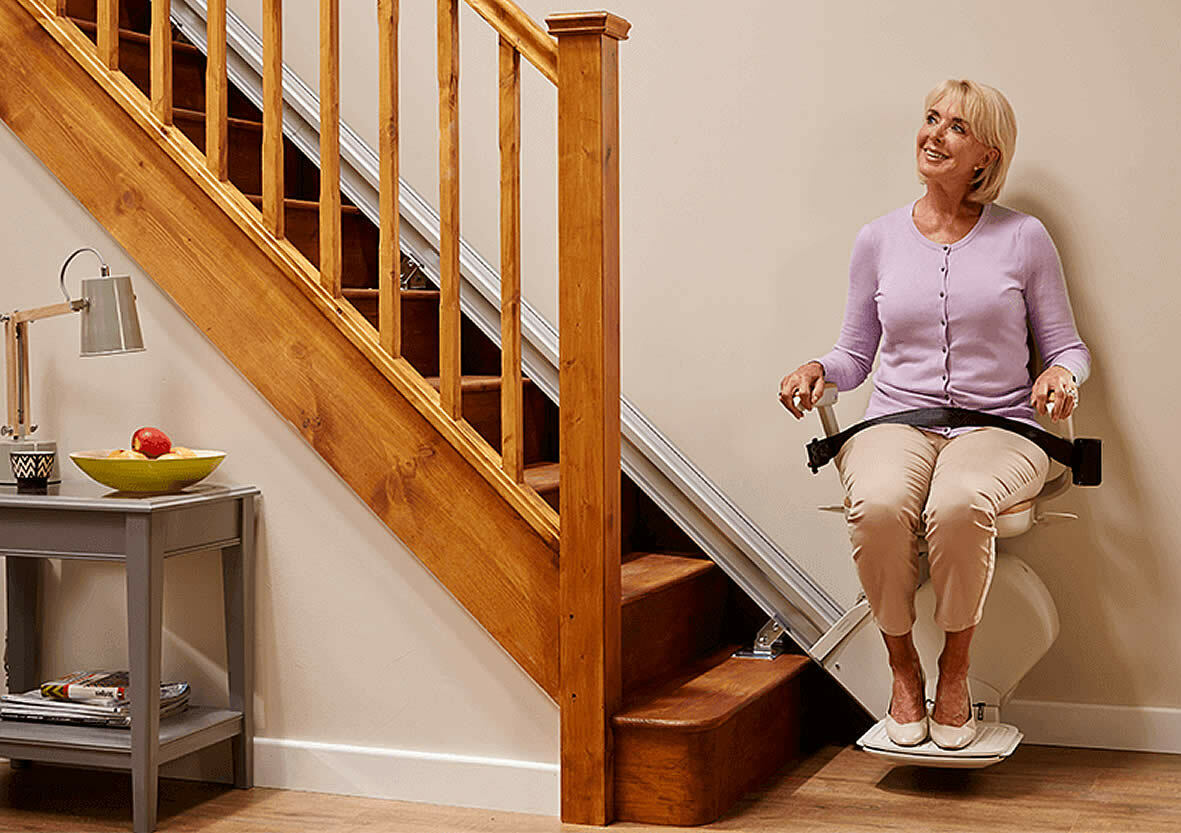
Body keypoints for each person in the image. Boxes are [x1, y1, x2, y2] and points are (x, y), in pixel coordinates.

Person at [777, 79, 1091, 750]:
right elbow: (853, 354)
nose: (934, 134)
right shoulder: (877, 239)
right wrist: (817, 370)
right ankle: (901, 665)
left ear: (985, 155)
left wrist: (1061, 374)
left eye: (955, 127)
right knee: (880, 502)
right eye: (930, 119)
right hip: (895, 418)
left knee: (957, 502)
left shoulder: (1023, 238)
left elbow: (1065, 345)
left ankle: (954, 667)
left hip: (999, 425)